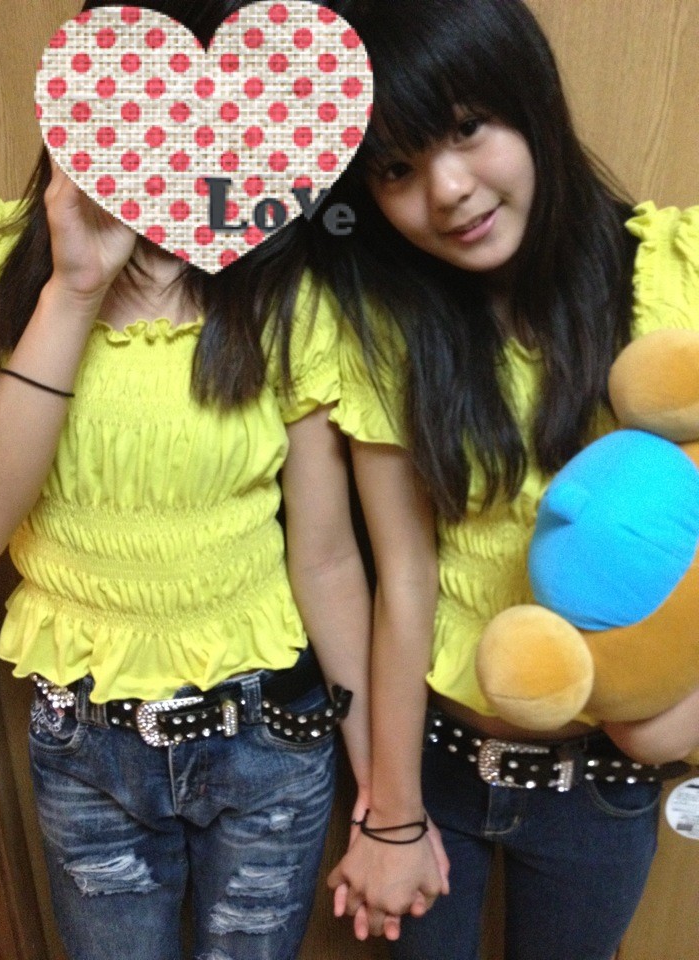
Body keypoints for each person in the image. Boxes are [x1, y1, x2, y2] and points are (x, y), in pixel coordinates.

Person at [299, 0, 699, 957]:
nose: (447, 189)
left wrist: (680, 715)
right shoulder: (390, 332)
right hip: (439, 763)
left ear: (532, 102)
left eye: (470, 127)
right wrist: (393, 813)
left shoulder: (668, 272)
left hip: (600, 786)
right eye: (395, 170)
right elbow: (405, 577)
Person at [0, 2, 371, 959]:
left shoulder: (287, 299)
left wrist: (383, 791)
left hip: (267, 733)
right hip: (84, 744)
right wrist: (73, 289)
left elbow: (325, 558)